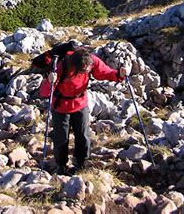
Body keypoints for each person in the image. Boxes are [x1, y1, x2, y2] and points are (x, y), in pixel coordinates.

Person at [39, 46, 130, 174]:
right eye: (83, 70)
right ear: (75, 66)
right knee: (61, 137)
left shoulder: (90, 60)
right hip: (61, 106)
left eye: (87, 69)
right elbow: (44, 91)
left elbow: (103, 72)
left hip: (80, 104)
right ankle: (61, 165)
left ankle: (81, 163)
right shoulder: (61, 66)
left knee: (83, 134)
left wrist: (118, 75)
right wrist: (49, 81)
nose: (86, 71)